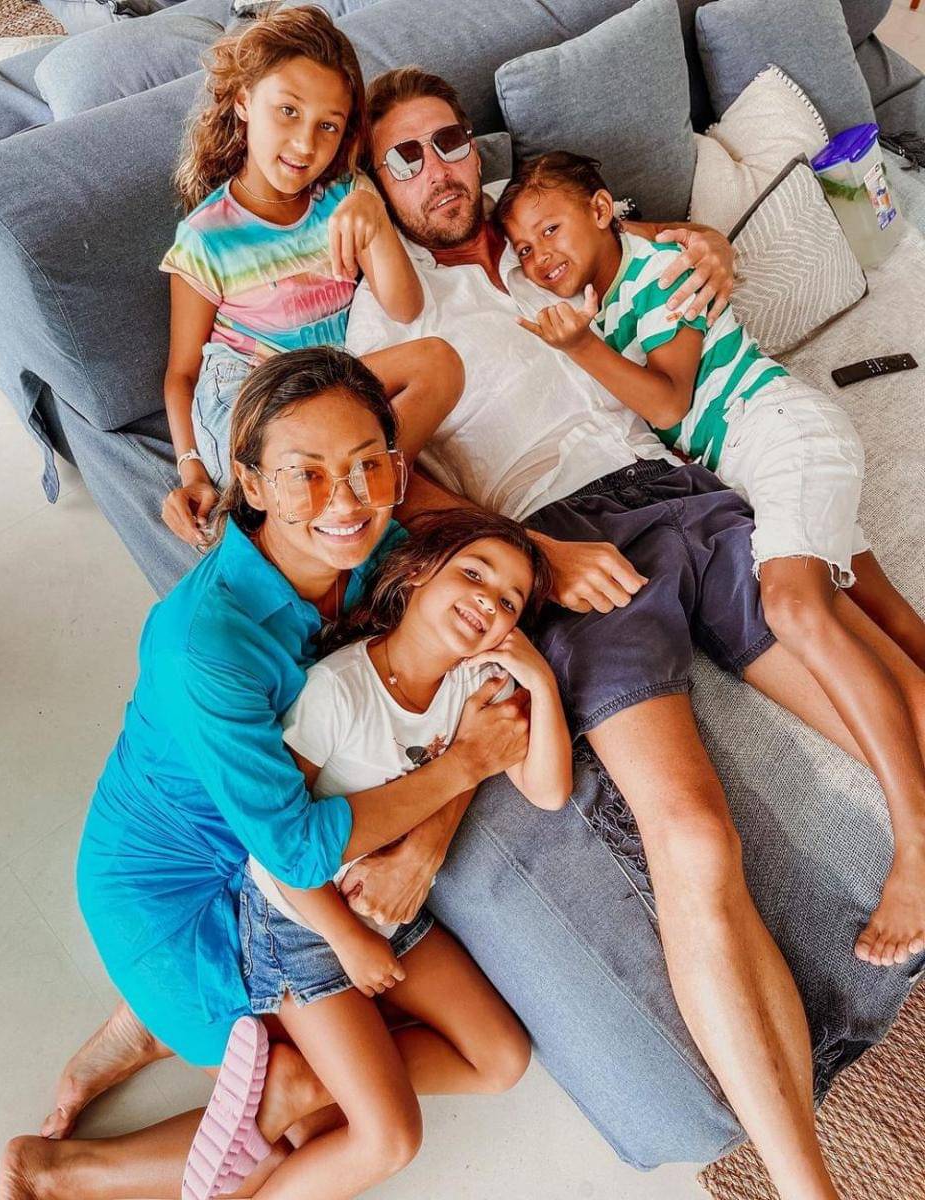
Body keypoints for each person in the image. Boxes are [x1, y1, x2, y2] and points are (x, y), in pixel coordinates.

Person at [337, 66, 917, 1200]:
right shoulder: (388, 315)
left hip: (681, 490)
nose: (436, 169)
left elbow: (640, 245)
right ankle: (808, 1186)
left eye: (448, 141)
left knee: (874, 693)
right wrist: (536, 553)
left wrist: (704, 244)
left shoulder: (529, 233)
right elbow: (393, 489)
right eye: (402, 157)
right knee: (693, 837)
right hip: (561, 544)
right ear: (377, 187)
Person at [0, 346, 527, 1200]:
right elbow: (298, 850)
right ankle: (66, 1167)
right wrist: (461, 770)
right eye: (304, 475)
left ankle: (159, 1034)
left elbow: (480, 683)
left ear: (395, 467)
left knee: (384, 1080)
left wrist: (431, 837)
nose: (345, 503)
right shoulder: (205, 644)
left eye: (367, 466)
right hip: (182, 891)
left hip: (266, 872)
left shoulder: (378, 553)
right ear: (250, 482)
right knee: (322, 1113)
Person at [497, 150, 925, 968]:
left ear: (601, 210)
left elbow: (669, 397)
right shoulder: (602, 283)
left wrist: (583, 346)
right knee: (887, 619)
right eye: (523, 247)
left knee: (793, 606)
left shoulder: (660, 272)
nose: (538, 255)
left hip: (780, 433)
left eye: (550, 229)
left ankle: (916, 841)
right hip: (756, 470)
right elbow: (571, 248)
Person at [184, 509, 569, 1199]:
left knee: (501, 1058)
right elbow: (275, 848)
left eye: (509, 602)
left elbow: (548, 790)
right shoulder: (337, 692)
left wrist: (539, 681)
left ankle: (306, 1083)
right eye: (473, 574)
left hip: (385, 915)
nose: (488, 600)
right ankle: (306, 1098)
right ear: (417, 573)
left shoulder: (476, 685)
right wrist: (347, 940)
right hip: (299, 924)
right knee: (390, 1139)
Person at [159, 6, 424, 549]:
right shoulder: (206, 237)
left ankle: (371, 485)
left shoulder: (346, 198)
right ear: (243, 101)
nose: (306, 144)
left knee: (437, 364)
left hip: (332, 387)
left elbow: (406, 307)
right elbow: (181, 374)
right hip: (249, 394)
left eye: (328, 125)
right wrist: (191, 471)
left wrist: (375, 217)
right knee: (305, 465)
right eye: (287, 111)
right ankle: (313, 510)